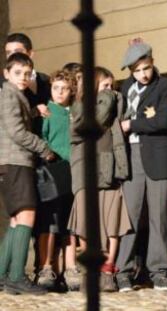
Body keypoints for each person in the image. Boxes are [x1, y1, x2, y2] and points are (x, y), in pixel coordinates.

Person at [116, 39, 167, 291]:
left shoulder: (166, 85)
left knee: (159, 217)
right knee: (129, 215)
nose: (143, 74)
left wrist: (133, 124)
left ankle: (159, 271)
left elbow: (164, 120)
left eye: (147, 68)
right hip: (131, 156)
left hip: (159, 157)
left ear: (153, 63)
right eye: (137, 70)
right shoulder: (125, 89)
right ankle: (123, 270)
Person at [68, 66, 132, 292]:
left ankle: (107, 270)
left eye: (112, 87)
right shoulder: (79, 106)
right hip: (85, 169)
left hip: (110, 167)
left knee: (110, 220)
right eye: (105, 86)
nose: (110, 91)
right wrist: (106, 97)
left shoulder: (116, 103)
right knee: (86, 222)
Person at [0, 52, 55, 295]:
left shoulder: (14, 95)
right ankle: (17, 277)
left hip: (10, 163)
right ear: (6, 74)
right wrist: (44, 149)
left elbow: (13, 122)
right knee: (27, 215)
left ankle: (3, 274)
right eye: (17, 73)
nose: (23, 78)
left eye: (27, 73)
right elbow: (16, 132)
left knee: (15, 219)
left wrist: (33, 111)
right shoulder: (9, 94)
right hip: (16, 162)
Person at [34, 70, 78, 290]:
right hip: (52, 173)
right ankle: (46, 267)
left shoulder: (75, 113)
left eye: (65, 88)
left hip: (73, 173)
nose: (60, 92)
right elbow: (41, 139)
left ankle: (70, 268)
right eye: (56, 88)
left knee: (70, 224)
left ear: (72, 91)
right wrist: (49, 155)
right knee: (48, 222)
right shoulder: (48, 112)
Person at [1, 33, 51, 117]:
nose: (13, 56)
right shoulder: (1, 85)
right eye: (9, 53)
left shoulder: (47, 80)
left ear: (30, 54)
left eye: (18, 51)